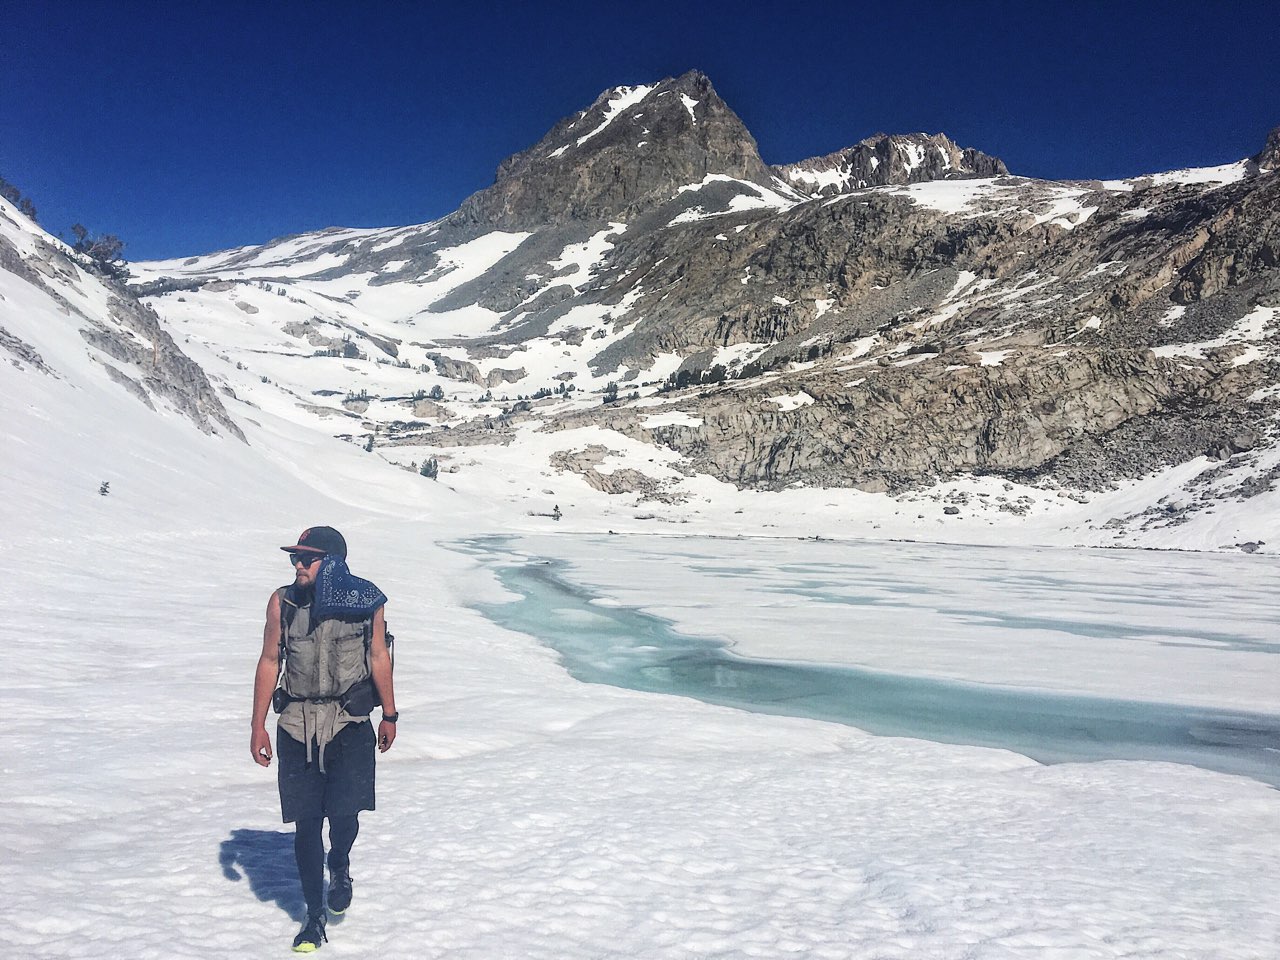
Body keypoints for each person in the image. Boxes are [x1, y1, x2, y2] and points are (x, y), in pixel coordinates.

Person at [250, 526, 398, 953]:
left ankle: (341, 860)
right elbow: (268, 660)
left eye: (307, 558)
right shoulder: (283, 601)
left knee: (346, 815)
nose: (297, 564)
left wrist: (389, 713)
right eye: (294, 558)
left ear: (331, 561)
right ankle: (314, 915)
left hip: (349, 723)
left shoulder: (366, 600)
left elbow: (377, 656)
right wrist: (258, 724)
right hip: (297, 724)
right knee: (306, 823)